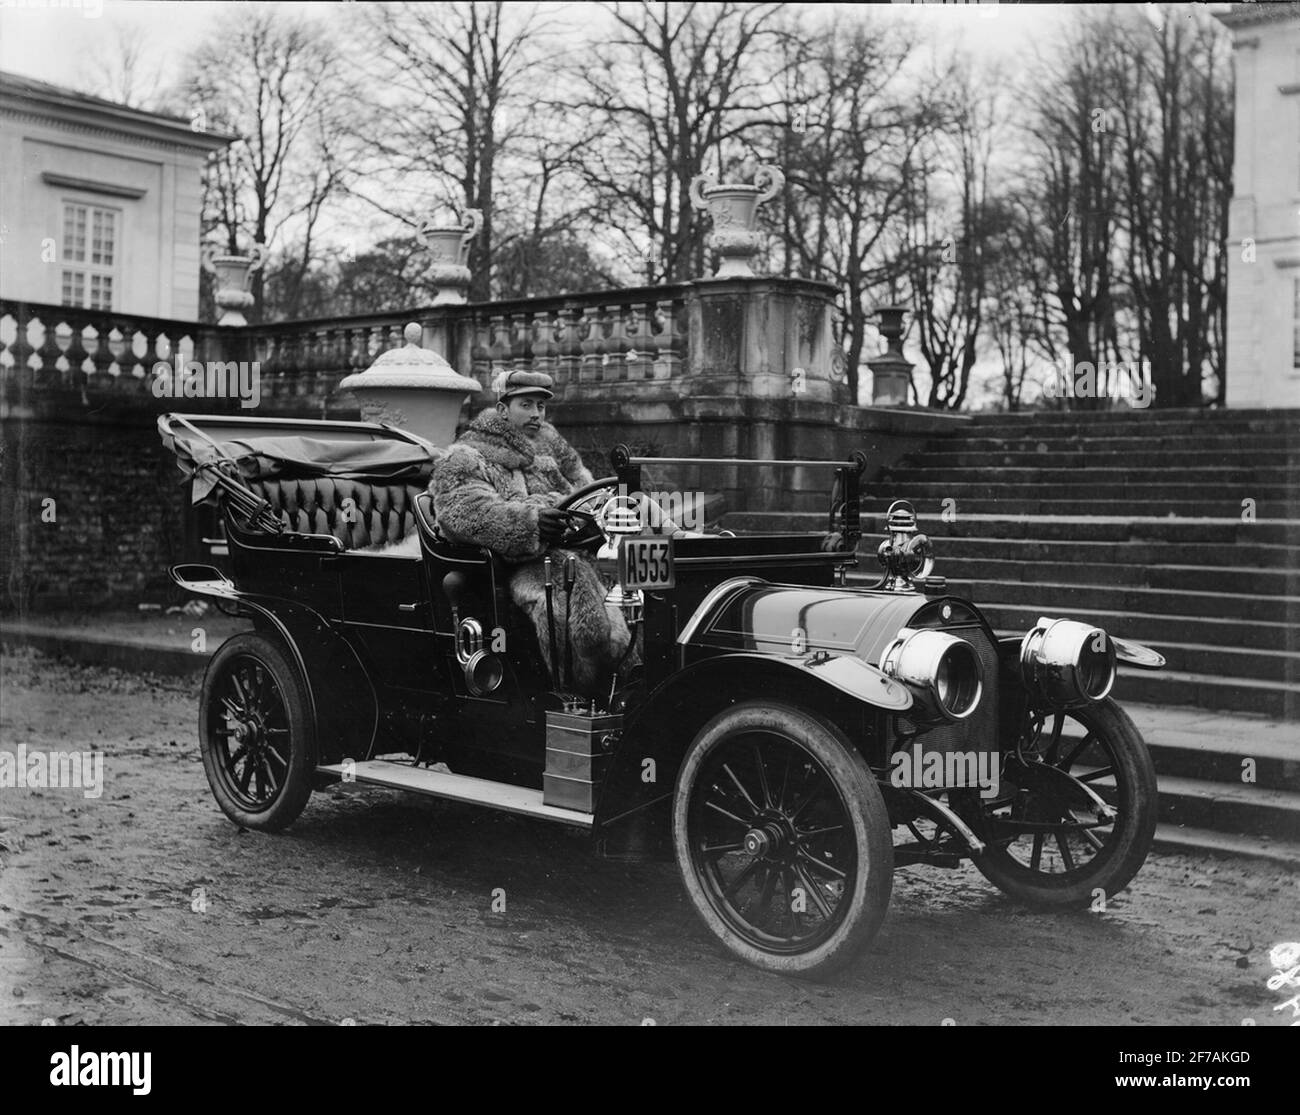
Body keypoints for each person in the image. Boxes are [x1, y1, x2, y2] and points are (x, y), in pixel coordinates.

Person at [431, 369, 634, 695]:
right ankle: (571, 696)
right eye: (527, 404)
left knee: (641, 594)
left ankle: (621, 692)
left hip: (578, 553)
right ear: (502, 410)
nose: (537, 414)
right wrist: (532, 522)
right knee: (558, 605)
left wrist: (598, 514)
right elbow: (464, 513)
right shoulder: (467, 456)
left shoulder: (552, 446)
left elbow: (587, 490)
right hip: (515, 567)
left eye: (541, 406)